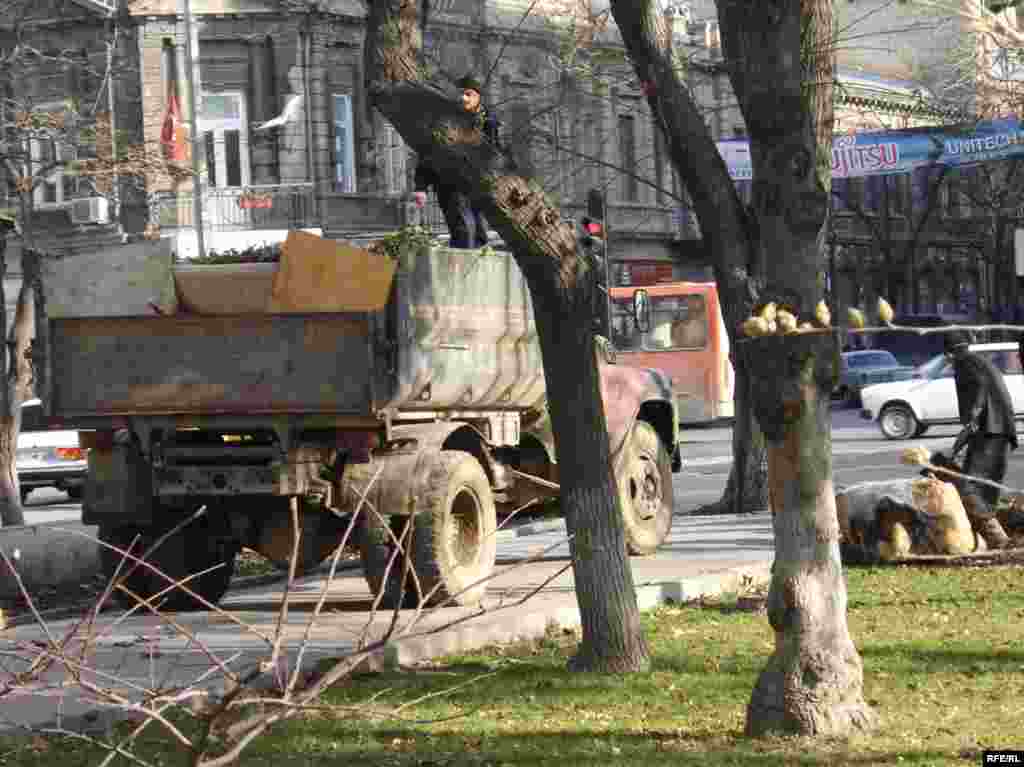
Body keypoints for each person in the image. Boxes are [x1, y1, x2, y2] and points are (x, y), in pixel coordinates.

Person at [941, 330, 1017, 549]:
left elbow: (981, 386)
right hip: (995, 430)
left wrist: (973, 416)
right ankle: (985, 539)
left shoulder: (964, 362)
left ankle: (999, 540)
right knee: (984, 488)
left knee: (970, 486)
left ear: (949, 353)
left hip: (990, 430)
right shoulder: (979, 361)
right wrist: (962, 440)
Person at [414, 74, 500, 248]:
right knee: (463, 232)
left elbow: (495, 153)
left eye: (468, 94)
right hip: (449, 183)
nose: (463, 98)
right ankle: (459, 268)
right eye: (460, 94)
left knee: (479, 236)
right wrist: (421, 187)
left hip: (475, 184)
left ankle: (474, 271)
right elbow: (428, 153)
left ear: (479, 97)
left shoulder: (488, 122)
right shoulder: (444, 119)